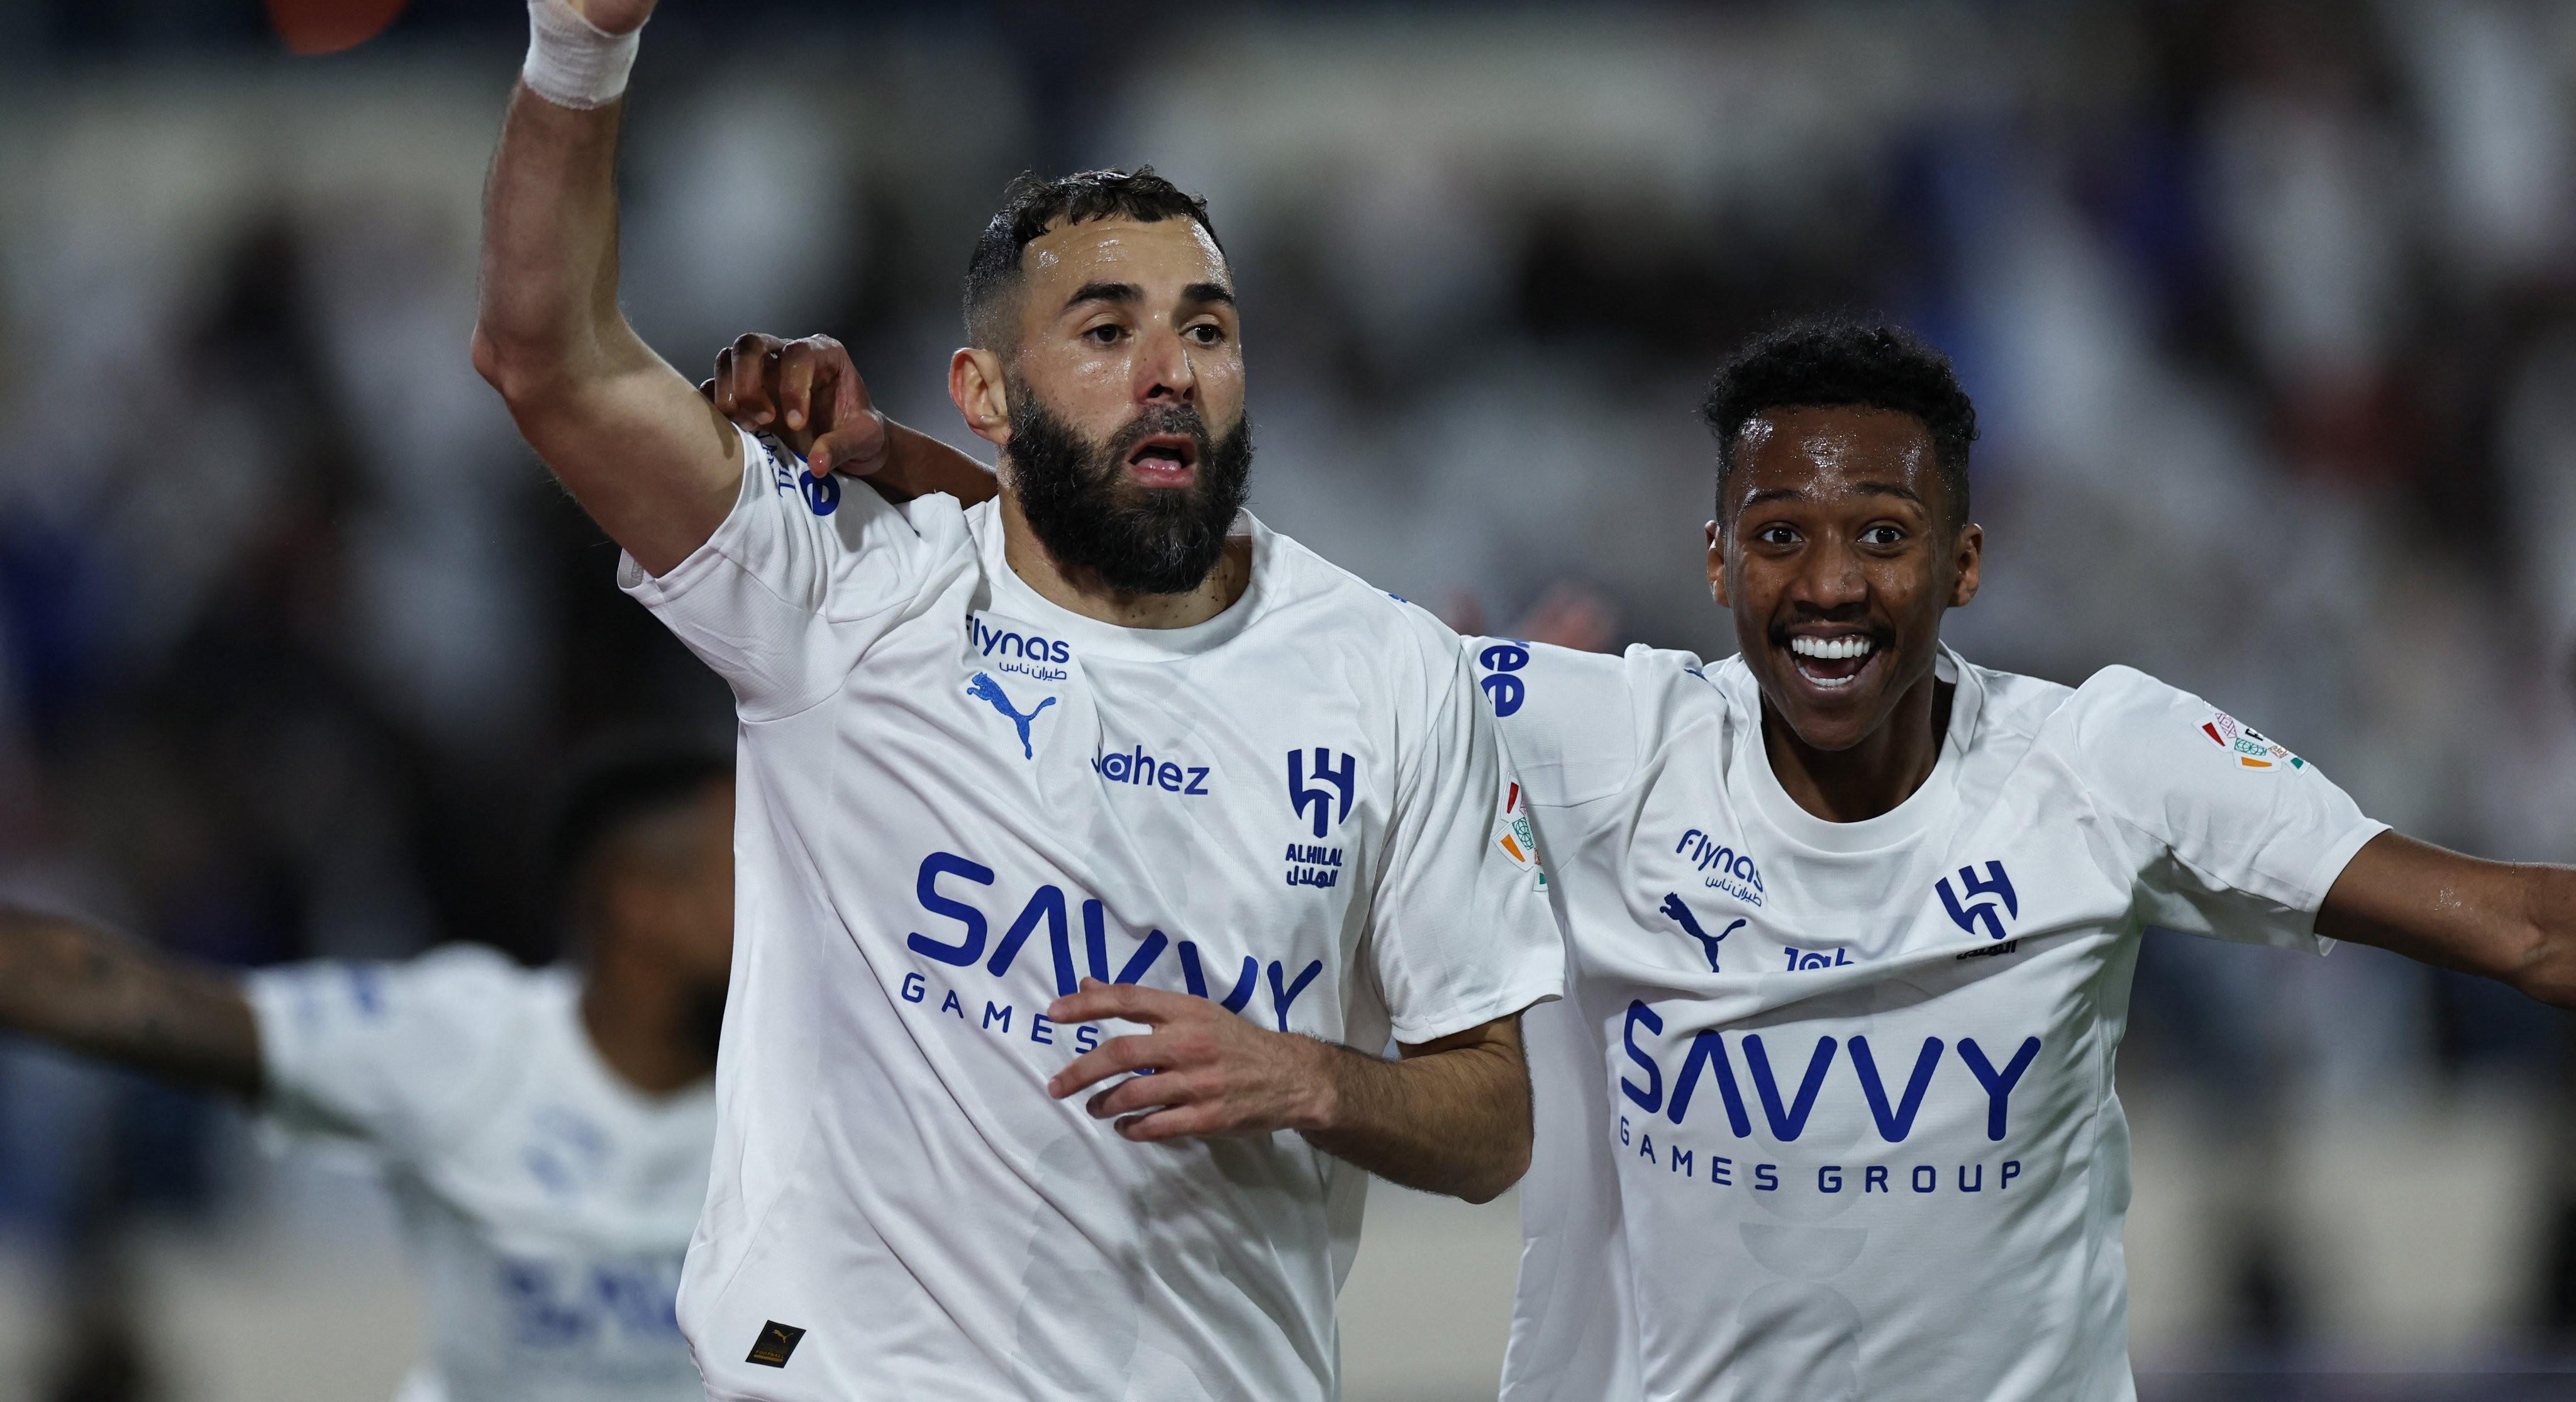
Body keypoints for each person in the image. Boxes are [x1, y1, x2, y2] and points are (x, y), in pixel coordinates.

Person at [714, 315, 2576, 1399]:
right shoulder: (1593, 739)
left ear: (1964, 563)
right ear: (1715, 564)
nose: (1829, 583)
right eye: (1779, 535)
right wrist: (890, 457)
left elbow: (2516, 924)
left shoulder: (2106, 764)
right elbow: (1184, 620)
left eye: (1882, 536)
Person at [471, 0, 1563, 1401]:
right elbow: (545, 356)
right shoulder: (846, 602)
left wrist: (1309, 1077)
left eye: (1206, 328)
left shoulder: (1387, 673)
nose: (1170, 368)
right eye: (1105, 330)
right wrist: (579, 51)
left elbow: (1494, 1119)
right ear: (984, 392)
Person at [0, 743, 733, 1402]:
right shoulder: (472, 1042)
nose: (788, 903)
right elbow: (110, 994)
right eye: (754, 871)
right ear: (643, 905)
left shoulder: (793, 1088)